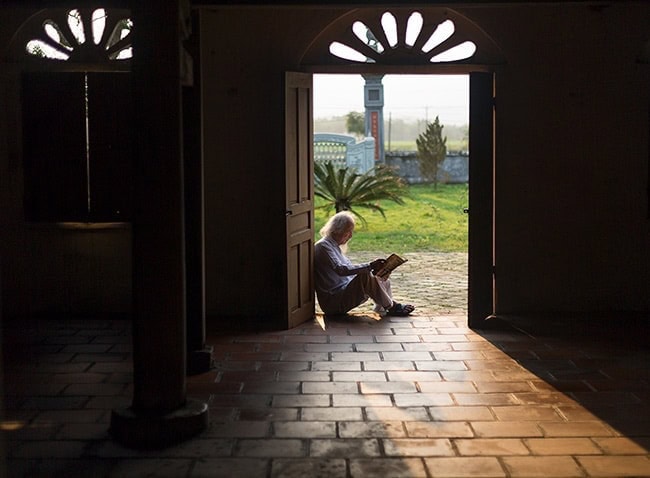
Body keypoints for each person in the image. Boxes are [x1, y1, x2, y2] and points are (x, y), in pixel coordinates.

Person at [314, 211, 415, 317]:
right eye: (349, 231)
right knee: (365, 275)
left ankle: (382, 308)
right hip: (334, 301)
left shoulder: (333, 246)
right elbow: (342, 270)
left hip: (343, 293)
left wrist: (376, 272)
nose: (351, 236)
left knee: (380, 278)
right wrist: (370, 266)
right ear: (338, 230)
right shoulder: (323, 246)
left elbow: (350, 273)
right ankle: (392, 307)